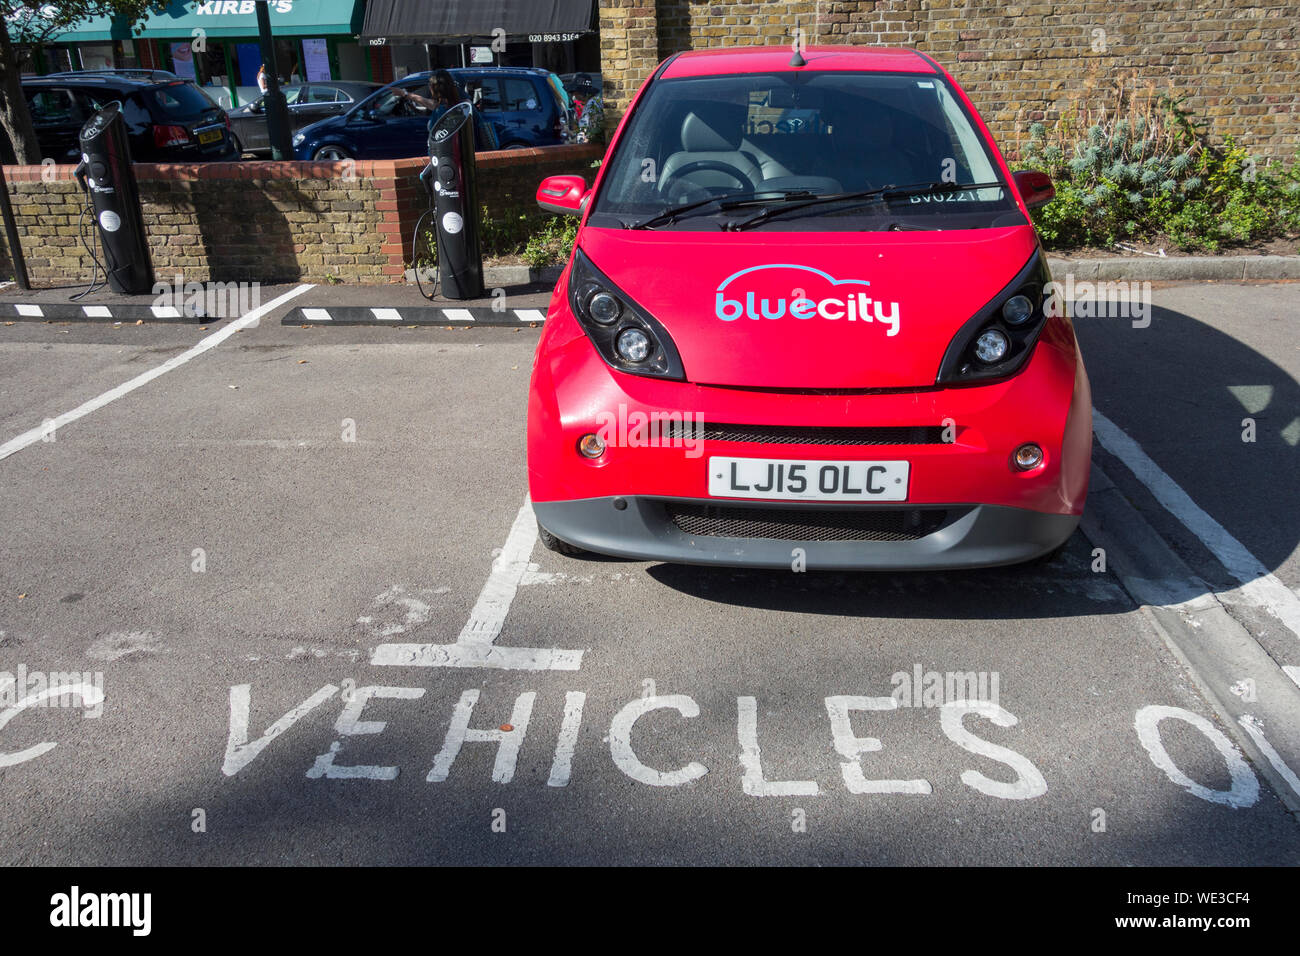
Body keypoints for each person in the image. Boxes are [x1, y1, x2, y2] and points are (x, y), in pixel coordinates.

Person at [400, 70, 500, 151]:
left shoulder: (443, 109)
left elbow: (439, 141)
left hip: (448, 161)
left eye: (430, 85)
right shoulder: (466, 106)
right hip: (467, 158)